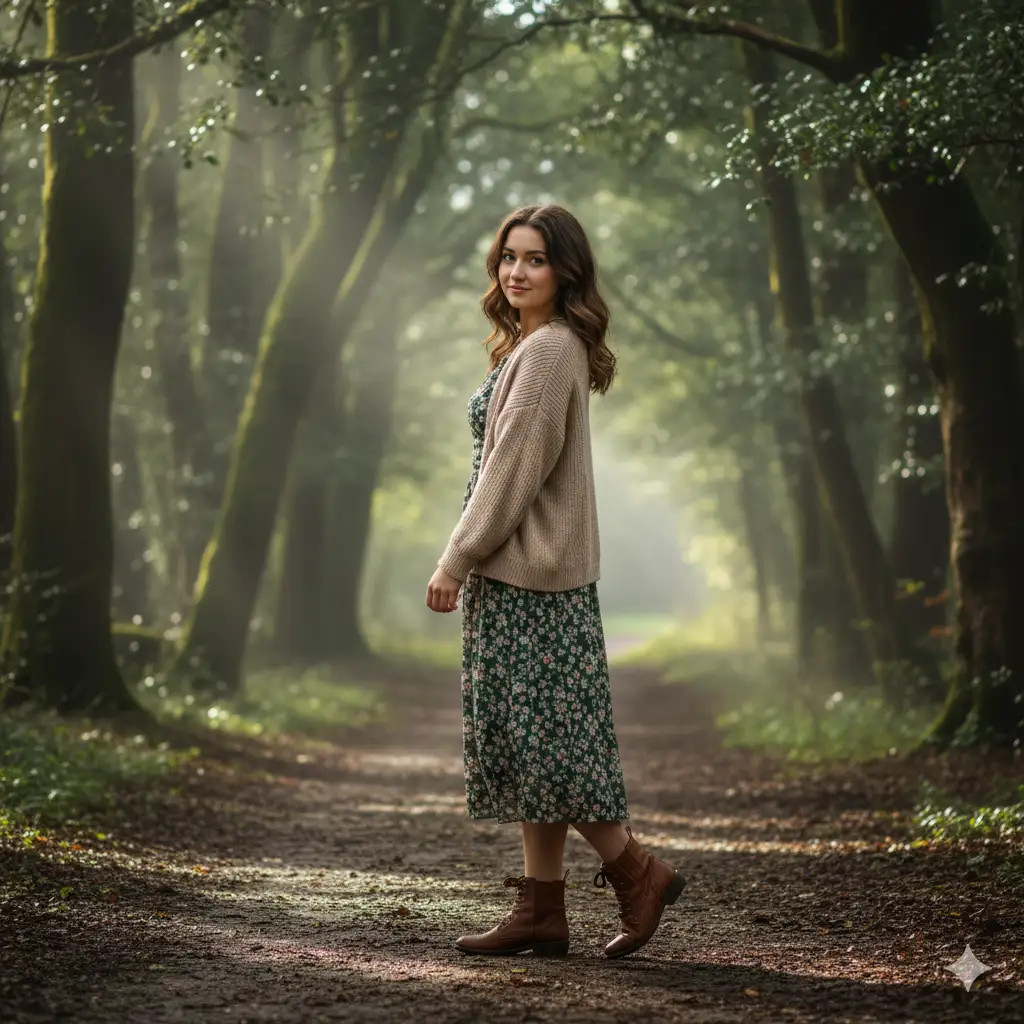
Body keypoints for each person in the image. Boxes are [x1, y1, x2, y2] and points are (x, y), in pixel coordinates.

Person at [424, 204, 685, 959]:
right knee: (539, 748)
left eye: (534, 259)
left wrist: (455, 558)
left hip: (528, 580)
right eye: (509, 256)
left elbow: (509, 475)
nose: (516, 271)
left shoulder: (546, 354)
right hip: (524, 578)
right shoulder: (536, 346)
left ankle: (638, 871)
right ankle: (542, 909)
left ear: (564, 270)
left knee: (551, 752)